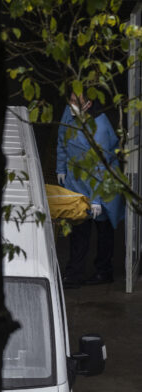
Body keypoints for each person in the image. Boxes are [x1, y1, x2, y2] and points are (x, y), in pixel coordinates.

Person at [56, 92, 125, 289]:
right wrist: (61, 168)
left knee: (103, 230)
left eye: (75, 102)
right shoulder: (69, 114)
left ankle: (104, 271)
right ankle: (74, 273)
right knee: (79, 229)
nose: (71, 105)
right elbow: (62, 139)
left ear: (88, 104)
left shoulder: (99, 128)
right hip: (77, 182)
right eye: (70, 100)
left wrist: (97, 199)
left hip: (101, 185)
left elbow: (100, 166)